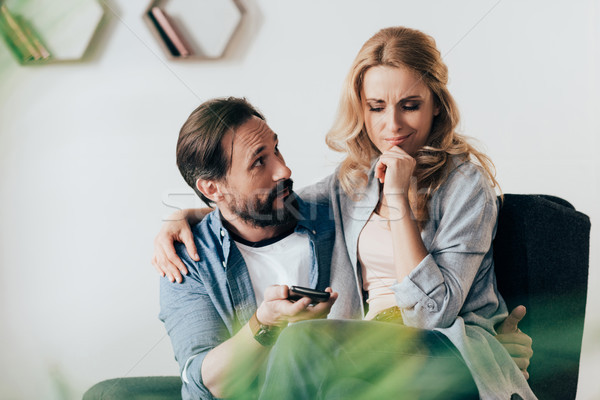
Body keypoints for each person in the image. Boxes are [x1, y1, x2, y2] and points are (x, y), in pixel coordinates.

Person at [155, 27, 535, 399]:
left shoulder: (466, 185)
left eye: (411, 105)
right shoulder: (353, 182)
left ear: (436, 104)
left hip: (447, 350)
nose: (393, 125)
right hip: (371, 352)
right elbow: (269, 202)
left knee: (302, 340)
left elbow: (430, 315)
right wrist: (189, 216)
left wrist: (400, 197)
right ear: (362, 109)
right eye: (376, 107)